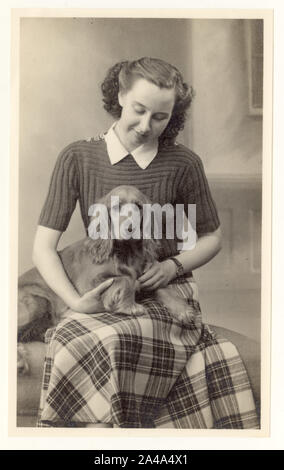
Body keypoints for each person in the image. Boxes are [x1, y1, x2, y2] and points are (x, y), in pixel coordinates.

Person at [34, 58, 259, 428]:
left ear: (174, 115)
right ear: (120, 96)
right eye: (138, 110)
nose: (145, 126)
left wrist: (174, 265)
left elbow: (211, 238)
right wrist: (76, 304)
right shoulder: (78, 156)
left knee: (117, 339)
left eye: (161, 117)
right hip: (101, 286)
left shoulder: (183, 163)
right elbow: (43, 248)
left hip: (165, 288)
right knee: (80, 338)